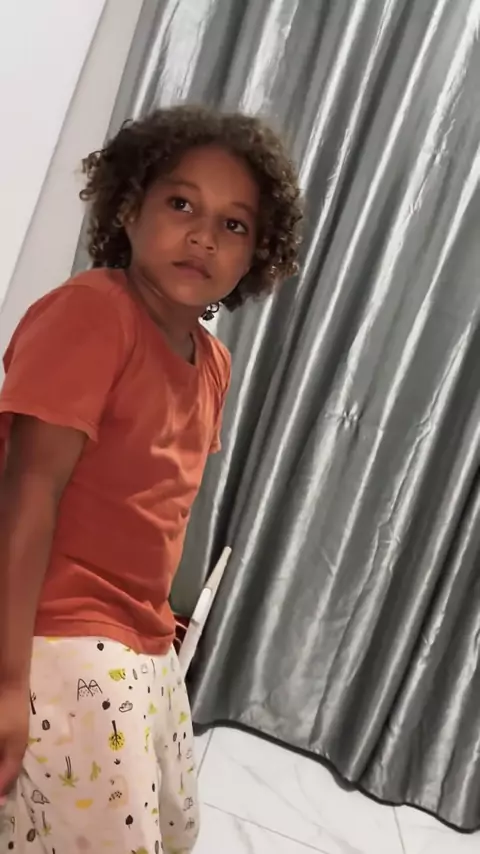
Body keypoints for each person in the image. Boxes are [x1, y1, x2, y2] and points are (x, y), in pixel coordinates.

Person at [0, 104, 302, 853]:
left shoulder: (214, 362)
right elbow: (27, 494)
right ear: (129, 208)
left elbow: (160, 508)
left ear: (257, 253)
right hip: (60, 619)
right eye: (181, 204)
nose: (203, 236)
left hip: (142, 627)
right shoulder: (92, 315)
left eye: (234, 224)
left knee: (175, 828)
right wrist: (6, 681)